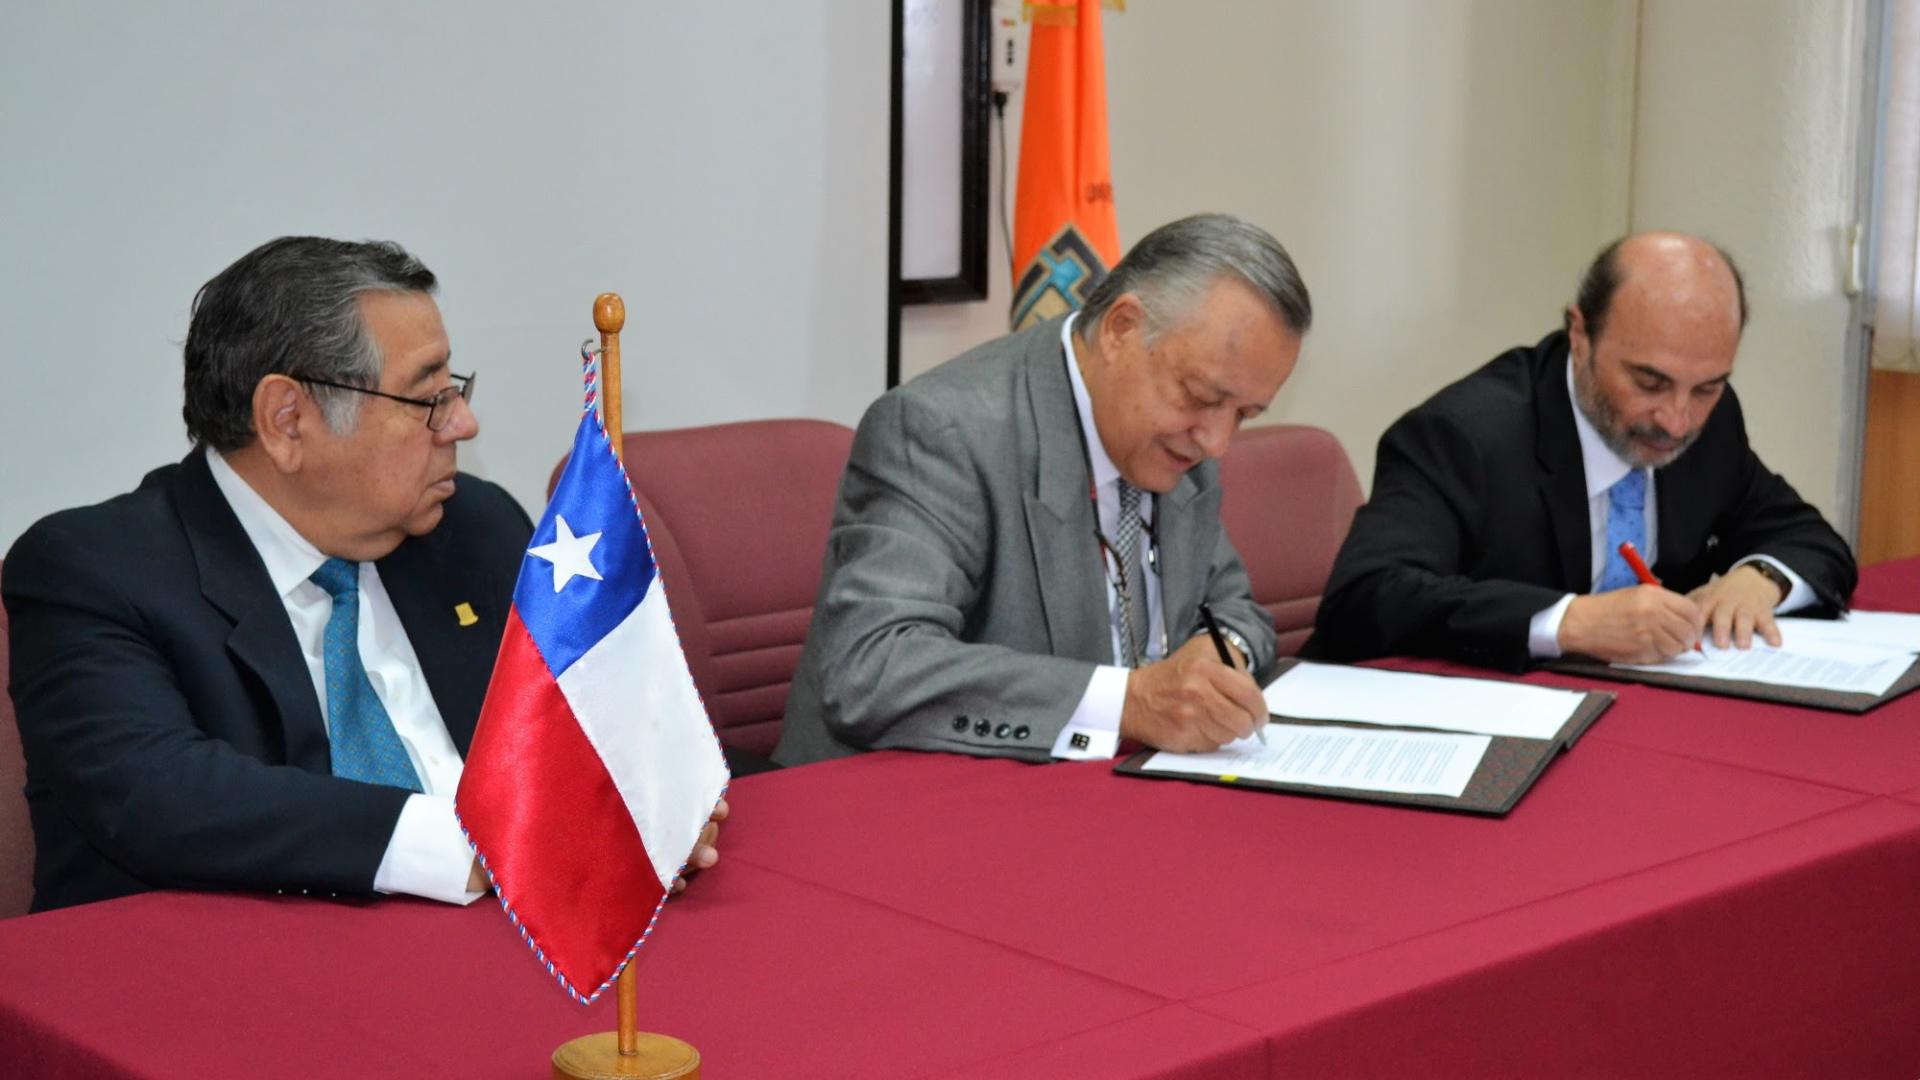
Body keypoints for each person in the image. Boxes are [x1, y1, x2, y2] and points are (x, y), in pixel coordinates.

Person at [4, 237, 724, 912]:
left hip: (500, 944)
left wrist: (647, 797)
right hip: (219, 983)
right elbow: (159, 796)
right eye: (428, 397)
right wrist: (490, 847)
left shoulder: (474, 527)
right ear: (287, 419)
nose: (463, 425)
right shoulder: (96, 569)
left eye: (457, 387)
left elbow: (593, 722)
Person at [775, 214, 1311, 766]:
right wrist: (1131, 702)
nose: (1218, 441)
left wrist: (1220, 660)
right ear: (1121, 328)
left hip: (1101, 800)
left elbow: (1236, 612)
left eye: (1244, 415)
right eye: (1202, 396)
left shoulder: (1177, 442)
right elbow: (872, 668)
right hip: (897, 805)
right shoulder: (943, 431)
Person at [1307, 232, 1856, 673]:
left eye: (1707, 388)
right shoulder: (1464, 436)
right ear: (1580, 335)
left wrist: (1759, 578)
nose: (1676, 420)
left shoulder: (1711, 424)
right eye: (1649, 382)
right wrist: (1570, 623)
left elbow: (1810, 539)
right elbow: (1364, 598)